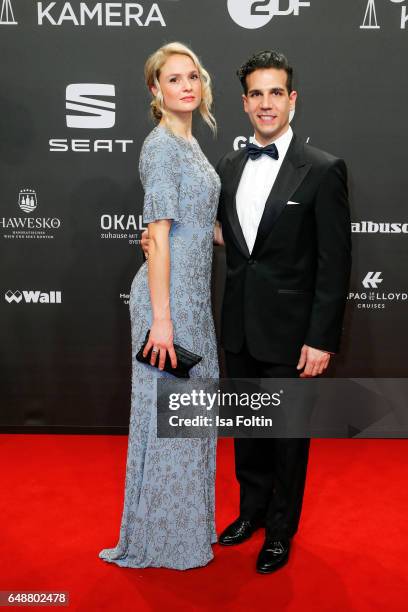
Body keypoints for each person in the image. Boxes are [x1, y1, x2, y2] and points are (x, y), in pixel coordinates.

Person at [215, 50, 352, 573]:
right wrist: (166, 239)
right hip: (240, 329)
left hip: (294, 336)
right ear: (244, 102)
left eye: (276, 93)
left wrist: (321, 339)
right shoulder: (229, 165)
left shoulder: (322, 170)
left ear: (292, 99)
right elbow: (235, 240)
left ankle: (280, 530)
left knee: (288, 440)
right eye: (256, 94)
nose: (266, 103)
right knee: (248, 431)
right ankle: (250, 513)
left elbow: (333, 262)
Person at [99, 42, 221, 570]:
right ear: (156, 90)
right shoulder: (161, 148)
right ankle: (164, 540)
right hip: (166, 305)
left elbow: (202, 229)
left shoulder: (191, 144)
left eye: (192, 76)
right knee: (169, 418)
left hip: (193, 299)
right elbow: (160, 235)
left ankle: (187, 526)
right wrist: (164, 321)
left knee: (191, 416)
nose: (186, 86)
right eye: (173, 79)